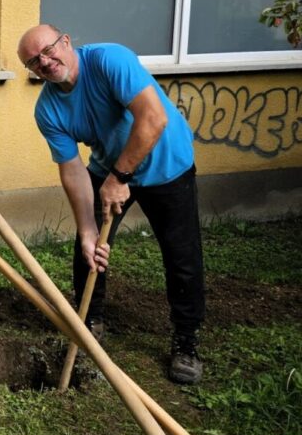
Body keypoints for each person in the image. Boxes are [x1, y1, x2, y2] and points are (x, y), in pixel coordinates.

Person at [17, 24, 205, 385]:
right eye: (34, 62)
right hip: (109, 168)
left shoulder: (109, 60)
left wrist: (119, 179)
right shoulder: (48, 111)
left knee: (182, 256)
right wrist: (88, 230)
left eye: (48, 50)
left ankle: (186, 340)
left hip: (167, 164)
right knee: (87, 247)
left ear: (66, 42)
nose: (45, 62)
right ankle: (89, 321)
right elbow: (72, 171)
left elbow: (154, 118)